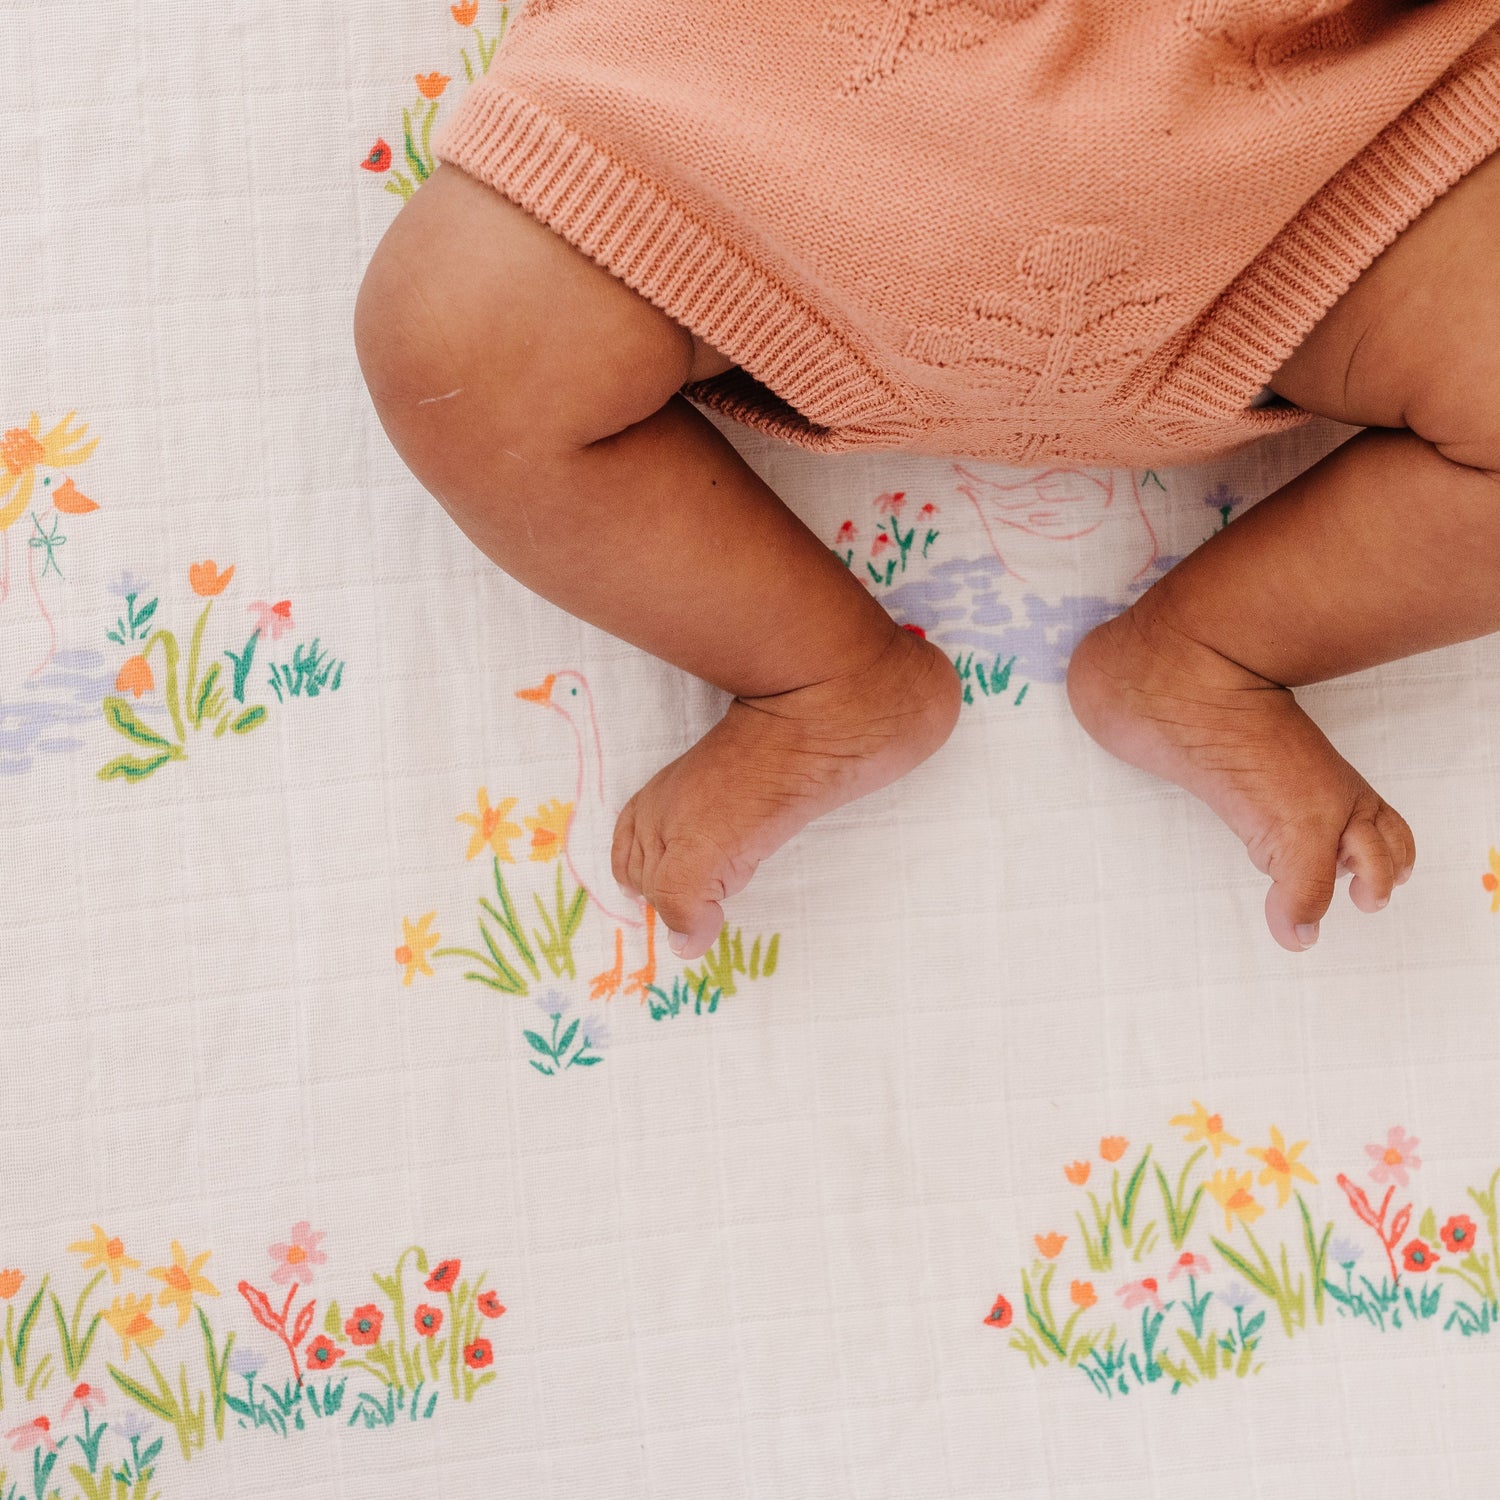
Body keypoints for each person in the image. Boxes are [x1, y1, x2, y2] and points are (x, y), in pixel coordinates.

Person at [354, 3, 1500, 958]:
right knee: (457, 342)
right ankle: (816, 678)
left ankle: (1215, 655)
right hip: (766, 112)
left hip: (1309, 138)